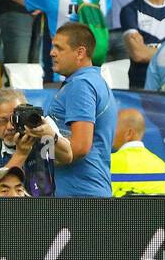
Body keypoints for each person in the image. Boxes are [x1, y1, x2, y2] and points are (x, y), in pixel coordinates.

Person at [37, 23, 115, 198]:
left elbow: (79, 147)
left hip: (79, 197)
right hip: (84, 192)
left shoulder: (81, 85)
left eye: (59, 48)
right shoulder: (91, 81)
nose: (52, 53)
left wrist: (42, 145)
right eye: (52, 46)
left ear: (80, 52)